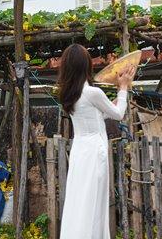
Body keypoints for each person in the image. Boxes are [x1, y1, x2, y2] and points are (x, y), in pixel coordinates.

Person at [57, 44, 135, 239]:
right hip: (94, 151)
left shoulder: (68, 93)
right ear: (86, 66)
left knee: (80, 200)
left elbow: (99, 115)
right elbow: (118, 114)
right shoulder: (93, 93)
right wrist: (123, 87)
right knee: (94, 201)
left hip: (80, 150)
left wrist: (119, 96)